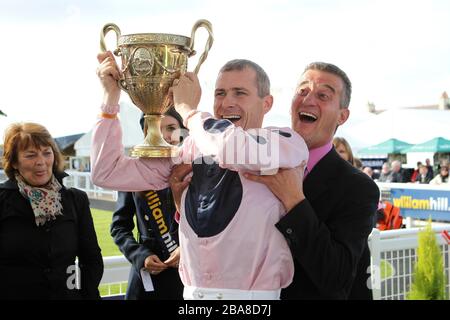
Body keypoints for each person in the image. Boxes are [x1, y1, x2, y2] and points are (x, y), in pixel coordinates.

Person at [92, 54, 309, 300]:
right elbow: (106, 172)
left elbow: (231, 148)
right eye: (220, 93)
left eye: (240, 93)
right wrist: (110, 100)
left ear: (266, 103)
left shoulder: (285, 142)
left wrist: (188, 111)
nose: (227, 102)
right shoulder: (193, 147)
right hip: (194, 297)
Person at [244, 62, 380, 299]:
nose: (308, 100)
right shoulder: (256, 162)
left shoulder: (359, 188)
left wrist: (294, 199)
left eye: (323, 95)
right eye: (302, 91)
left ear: (342, 116)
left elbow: (336, 277)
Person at [0, 122, 103, 300]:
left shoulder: (75, 200)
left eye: (47, 153)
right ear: (15, 162)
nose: (41, 162)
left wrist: (86, 296)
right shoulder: (3, 200)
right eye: (31, 155)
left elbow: (91, 259)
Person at [111, 108, 186, 300]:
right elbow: (119, 227)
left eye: (171, 128)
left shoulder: (194, 170)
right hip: (146, 282)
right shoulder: (134, 172)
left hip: (186, 280)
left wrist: (187, 249)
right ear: (146, 133)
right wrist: (140, 255)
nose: (165, 136)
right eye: (156, 129)